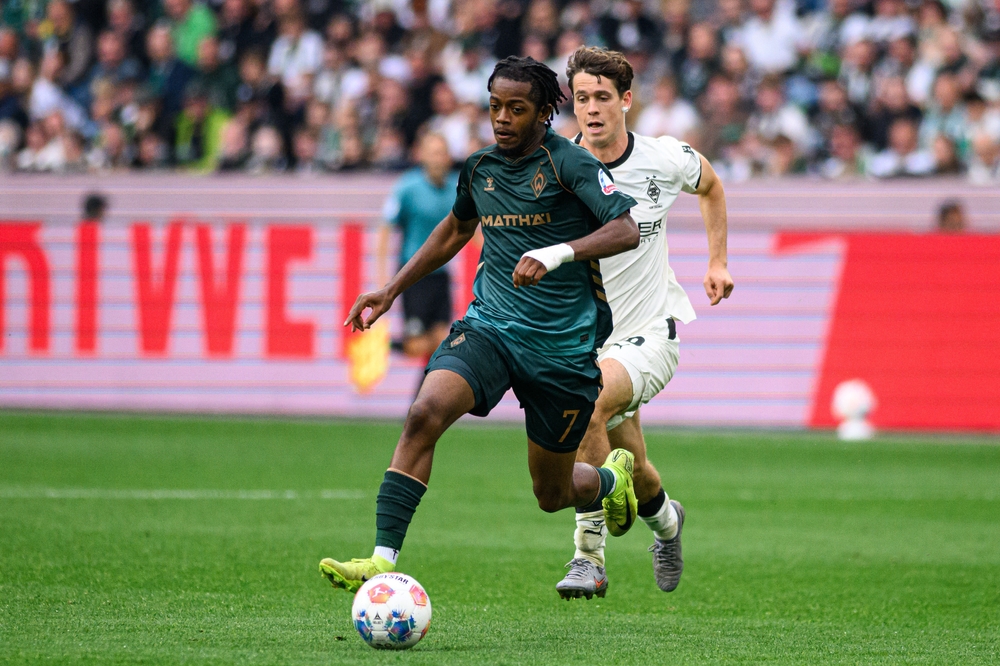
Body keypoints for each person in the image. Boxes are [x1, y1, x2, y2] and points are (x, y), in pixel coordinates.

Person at [320, 56, 643, 592]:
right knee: (424, 412)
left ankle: (608, 480)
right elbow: (455, 229)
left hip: (560, 348)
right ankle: (381, 558)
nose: (502, 119)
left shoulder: (571, 164)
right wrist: (390, 289)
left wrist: (557, 253)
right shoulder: (479, 169)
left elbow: (627, 229)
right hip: (490, 326)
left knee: (551, 495)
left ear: (543, 113)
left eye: (516, 109)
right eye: (495, 107)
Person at [554, 46, 734, 600]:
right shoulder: (557, 168)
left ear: (626, 100)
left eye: (602, 97)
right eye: (581, 98)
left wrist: (717, 262)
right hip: (591, 342)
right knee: (634, 468)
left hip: (653, 332)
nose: (592, 109)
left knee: (586, 403)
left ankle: (588, 558)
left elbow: (710, 185)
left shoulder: (663, 157)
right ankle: (669, 524)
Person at [377, 132, 459, 359]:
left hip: (441, 274)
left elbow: (468, 229)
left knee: (442, 340)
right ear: (421, 156)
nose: (438, 159)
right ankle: (387, 345)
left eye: (442, 153)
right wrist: (382, 278)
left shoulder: (456, 188)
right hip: (413, 274)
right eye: (433, 153)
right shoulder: (407, 187)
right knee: (417, 345)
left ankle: (424, 385)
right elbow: (385, 229)